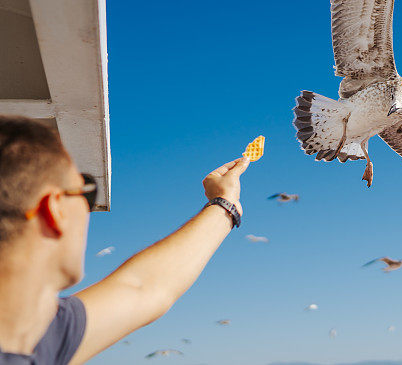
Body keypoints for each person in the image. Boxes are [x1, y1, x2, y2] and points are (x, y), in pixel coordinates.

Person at [0, 115, 250, 364]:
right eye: (85, 191)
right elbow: (142, 288)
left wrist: (223, 204)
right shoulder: (40, 340)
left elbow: (143, 287)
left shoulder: (40, 337)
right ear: (55, 210)